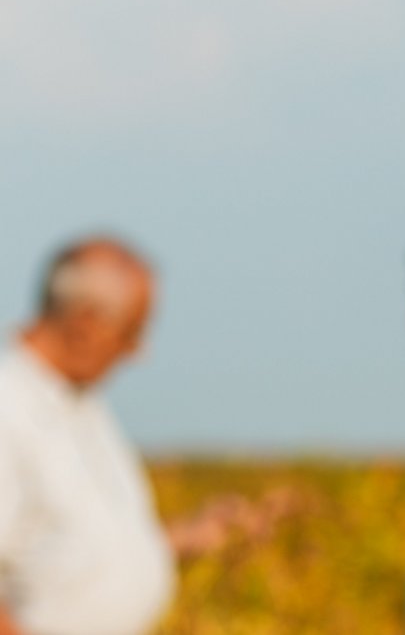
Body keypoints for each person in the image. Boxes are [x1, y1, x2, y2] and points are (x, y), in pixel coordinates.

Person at [0, 237, 257, 635]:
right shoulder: (9, 404)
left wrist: (182, 538)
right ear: (86, 320)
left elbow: (69, 546)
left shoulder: (81, 402)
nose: (138, 351)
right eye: (132, 331)